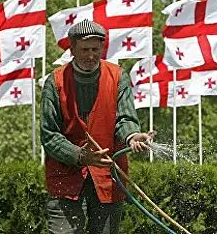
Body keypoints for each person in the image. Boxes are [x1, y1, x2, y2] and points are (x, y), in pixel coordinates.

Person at [40, 19, 155, 234]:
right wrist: (79, 155)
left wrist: (132, 137)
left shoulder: (118, 76)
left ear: (102, 48)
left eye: (96, 49)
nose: (91, 55)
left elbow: (125, 119)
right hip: (65, 178)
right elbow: (49, 135)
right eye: (84, 49)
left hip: (108, 178)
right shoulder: (54, 82)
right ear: (72, 49)